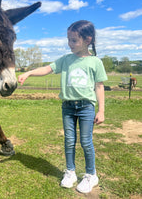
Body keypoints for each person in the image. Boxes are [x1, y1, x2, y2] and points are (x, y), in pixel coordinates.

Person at [18, 20, 107, 194]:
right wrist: (28, 73)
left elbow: (99, 86)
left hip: (86, 107)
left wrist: (101, 110)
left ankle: (91, 175)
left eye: (74, 40)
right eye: (68, 39)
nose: (70, 44)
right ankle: (70, 172)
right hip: (67, 107)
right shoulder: (66, 59)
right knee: (69, 141)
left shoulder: (95, 62)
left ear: (87, 39)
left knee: (86, 142)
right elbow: (47, 69)